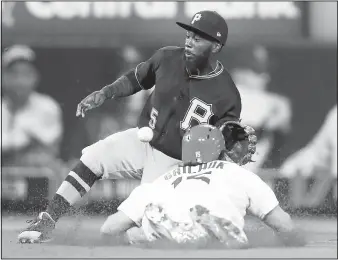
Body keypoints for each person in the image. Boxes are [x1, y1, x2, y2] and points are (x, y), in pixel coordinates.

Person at [18, 10, 256, 243]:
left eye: (198, 38)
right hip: (143, 141)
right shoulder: (167, 57)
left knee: (144, 229)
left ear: (215, 46)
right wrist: (106, 92)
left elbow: (226, 134)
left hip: (175, 165)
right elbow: (137, 78)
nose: (189, 42)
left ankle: (202, 229)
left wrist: (236, 144)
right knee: (94, 156)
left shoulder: (227, 93)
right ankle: (46, 221)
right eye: (188, 35)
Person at [99, 124, 304, 248]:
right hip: (217, 231)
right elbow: (284, 225)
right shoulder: (238, 174)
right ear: (220, 150)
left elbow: (109, 228)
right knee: (236, 237)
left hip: (169, 233)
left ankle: (166, 230)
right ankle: (207, 230)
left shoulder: (160, 181)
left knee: (137, 233)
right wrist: (295, 241)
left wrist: (129, 238)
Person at [2, 45, 64, 188]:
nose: (20, 81)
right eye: (13, 74)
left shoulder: (47, 106)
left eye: (26, 74)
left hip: (38, 186)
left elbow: (50, 149)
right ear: (3, 77)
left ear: (35, 77)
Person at [231, 45, 292, 173]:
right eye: (257, 71)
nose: (265, 77)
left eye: (266, 70)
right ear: (238, 73)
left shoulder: (273, 101)